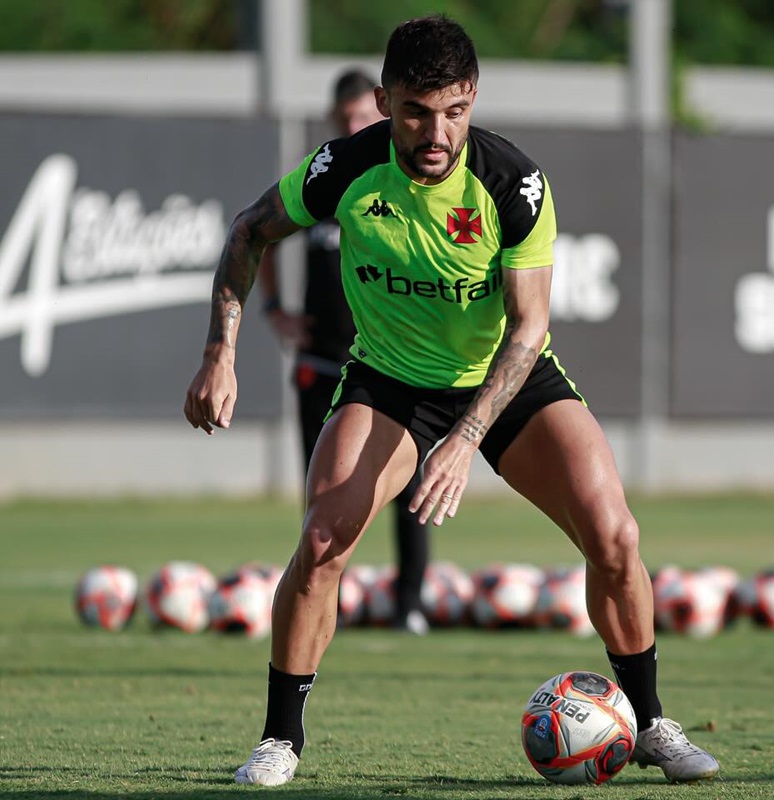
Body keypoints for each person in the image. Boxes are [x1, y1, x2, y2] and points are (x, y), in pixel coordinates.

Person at [183, 14, 720, 787]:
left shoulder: (513, 183)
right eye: (416, 111)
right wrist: (218, 354)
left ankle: (652, 722)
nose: (437, 132)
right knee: (324, 543)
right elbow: (248, 233)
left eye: (455, 111)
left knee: (616, 536)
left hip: (507, 379)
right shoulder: (345, 168)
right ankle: (280, 740)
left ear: (472, 101)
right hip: (391, 384)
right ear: (385, 101)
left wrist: (467, 437)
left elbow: (531, 328)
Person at [257, 69, 430, 636]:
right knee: (324, 500)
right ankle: (331, 601)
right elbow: (257, 233)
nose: (354, 126)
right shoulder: (328, 176)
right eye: (345, 118)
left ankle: (409, 604)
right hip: (323, 364)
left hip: (394, 371)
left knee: (409, 493)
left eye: (364, 117)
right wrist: (275, 310)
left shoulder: (402, 181)